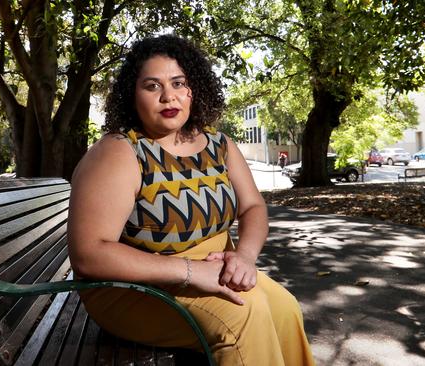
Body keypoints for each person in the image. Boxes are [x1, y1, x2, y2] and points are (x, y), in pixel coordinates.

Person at [67, 34, 315, 365]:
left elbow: (254, 207)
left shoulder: (219, 144)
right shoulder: (119, 151)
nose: (168, 95)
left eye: (178, 83)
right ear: (133, 95)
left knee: (284, 308)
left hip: (210, 270)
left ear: (193, 89)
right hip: (130, 287)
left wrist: (244, 256)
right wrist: (189, 271)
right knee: (243, 318)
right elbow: (89, 254)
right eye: (152, 86)